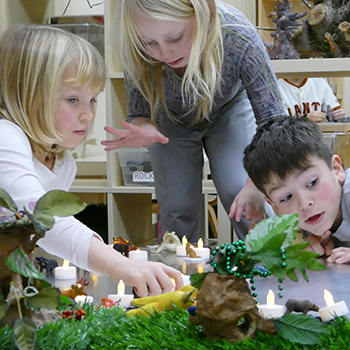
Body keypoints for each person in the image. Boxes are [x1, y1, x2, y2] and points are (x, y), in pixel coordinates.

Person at [0, 24, 182, 296]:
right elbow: (40, 217)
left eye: (92, 100)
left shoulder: (62, 163)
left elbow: (47, 230)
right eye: (73, 99)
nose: (88, 115)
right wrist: (119, 265)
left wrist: (87, 255)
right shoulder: (5, 137)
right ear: (26, 94)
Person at [101, 0, 285, 243]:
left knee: (240, 190)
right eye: (150, 43)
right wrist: (143, 126)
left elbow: (274, 122)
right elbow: (140, 111)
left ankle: (272, 269)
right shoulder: (135, 44)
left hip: (230, 109)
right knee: (177, 208)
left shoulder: (238, 35)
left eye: (175, 37)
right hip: (169, 117)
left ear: (205, 14)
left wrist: (257, 182)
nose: (165, 54)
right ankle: (175, 277)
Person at [243, 116, 350, 264]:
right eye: (286, 198)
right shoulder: (313, 217)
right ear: (274, 206)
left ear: (337, 169)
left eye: (312, 183)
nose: (304, 203)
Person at [277, 77, 346, 122]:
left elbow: (334, 110)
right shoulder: (277, 86)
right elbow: (276, 125)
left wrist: (339, 115)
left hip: (318, 138)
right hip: (287, 141)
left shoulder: (319, 82)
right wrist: (305, 119)